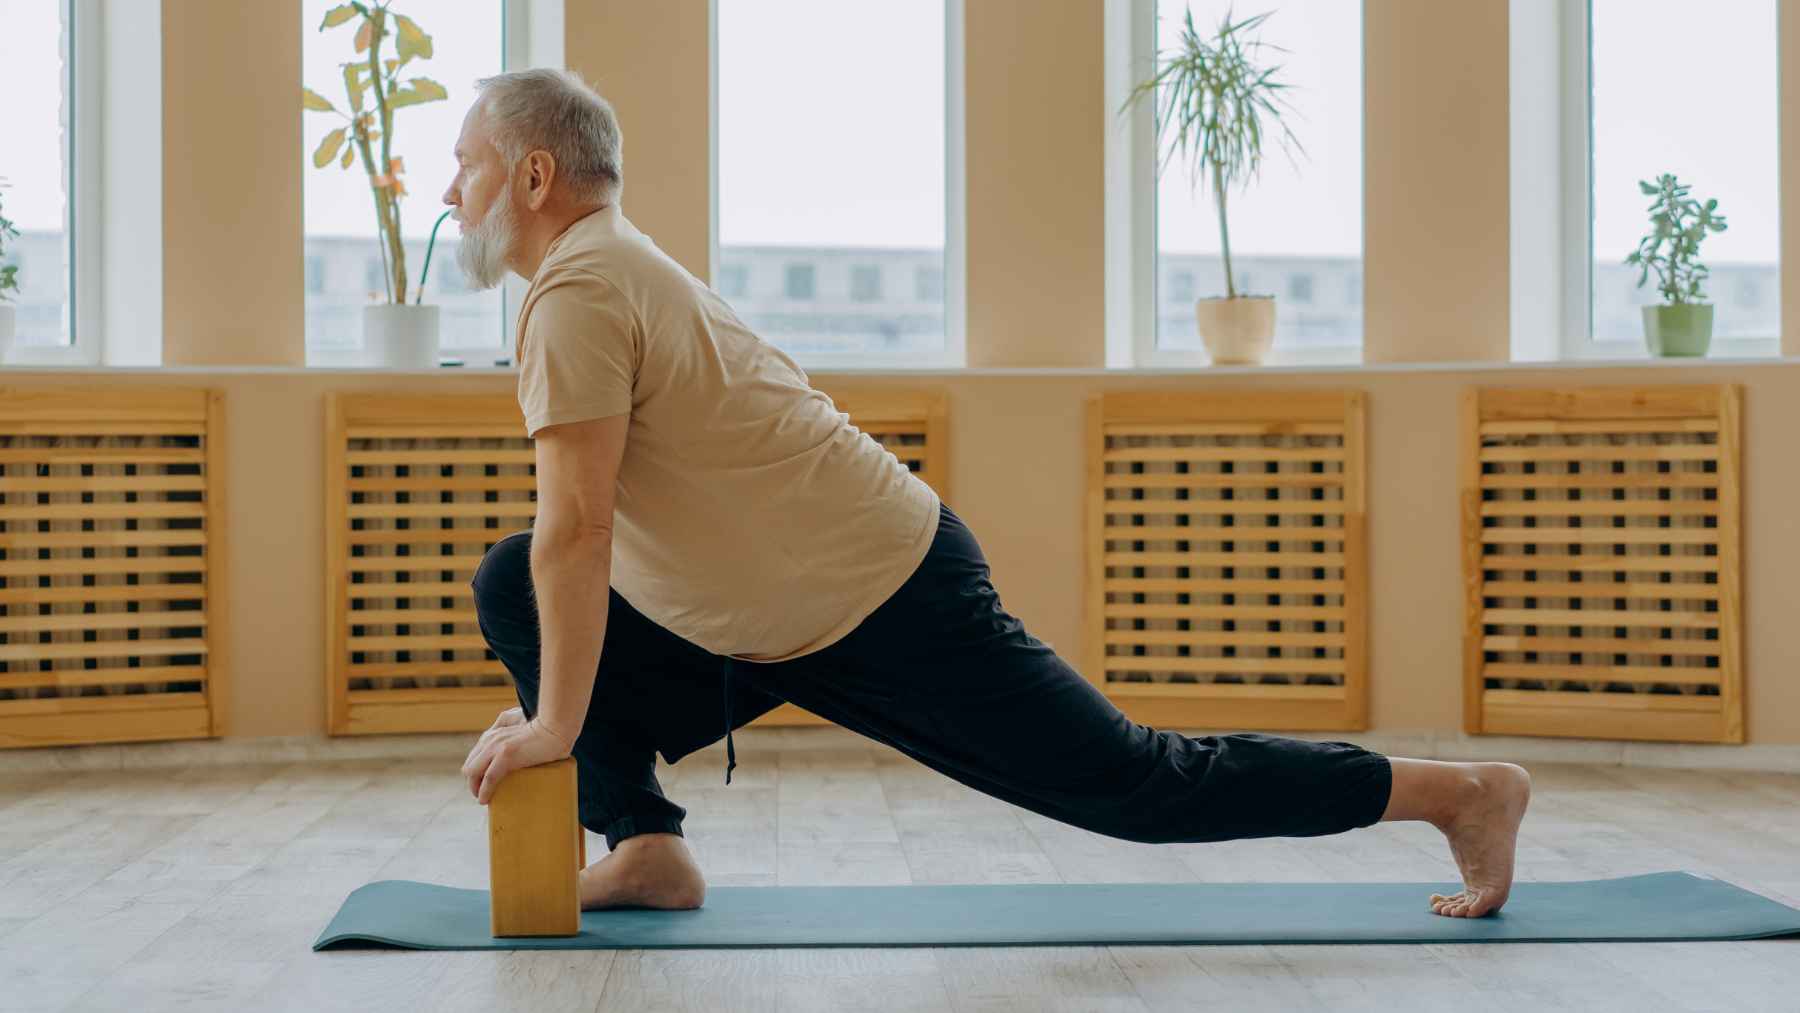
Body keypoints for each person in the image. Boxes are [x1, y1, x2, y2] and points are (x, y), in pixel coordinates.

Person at [449, 69, 1531, 920]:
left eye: (469, 166)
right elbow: (571, 541)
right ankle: (645, 846)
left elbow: (580, 526)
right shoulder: (601, 269)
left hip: (882, 592)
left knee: (1140, 784)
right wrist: (570, 717)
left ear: (536, 176)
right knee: (511, 580)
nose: (454, 192)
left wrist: (556, 722)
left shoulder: (581, 291)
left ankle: (1458, 792)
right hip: (753, 610)